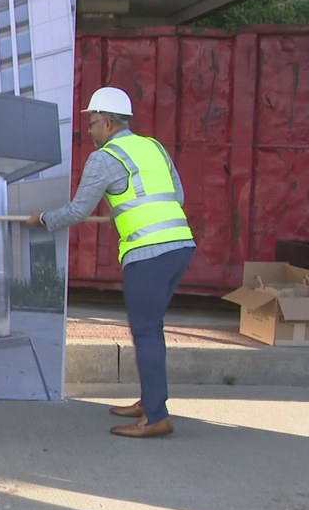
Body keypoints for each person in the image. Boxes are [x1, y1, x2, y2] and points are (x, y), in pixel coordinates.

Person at [27, 86, 195, 438]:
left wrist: (43, 219)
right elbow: (177, 195)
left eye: (91, 123)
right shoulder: (153, 147)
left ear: (106, 122)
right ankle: (150, 402)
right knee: (152, 327)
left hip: (149, 252)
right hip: (180, 246)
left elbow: (78, 210)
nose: (88, 131)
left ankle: (155, 417)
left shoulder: (105, 157)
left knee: (146, 331)